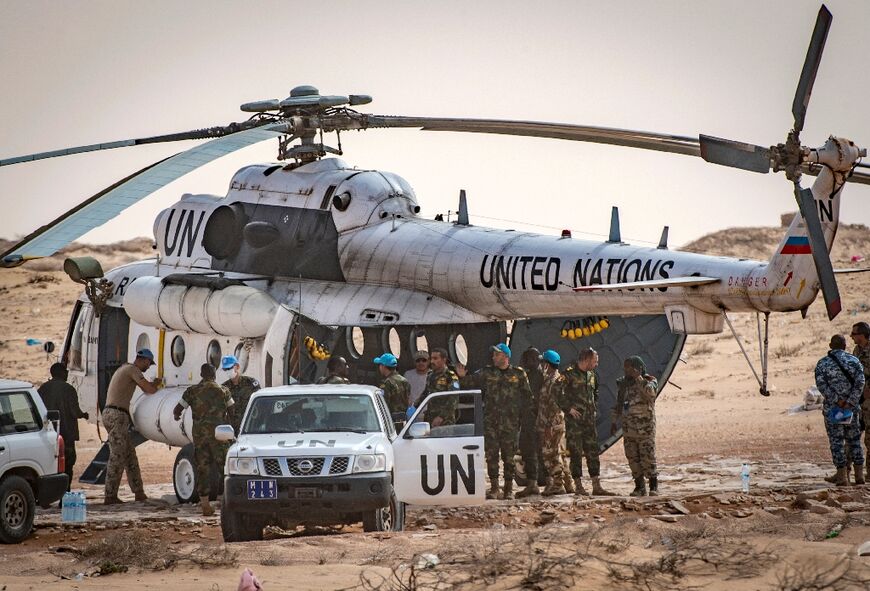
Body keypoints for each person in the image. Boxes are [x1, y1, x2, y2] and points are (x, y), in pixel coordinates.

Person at [456, 343, 530, 500]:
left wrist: (523, 416)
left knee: (509, 456)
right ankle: (495, 488)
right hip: (491, 421)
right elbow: (468, 383)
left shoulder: (518, 374)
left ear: (505, 356)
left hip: (510, 422)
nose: (494, 357)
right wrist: (462, 376)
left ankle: (509, 489)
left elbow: (527, 396)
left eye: (497, 354)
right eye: (494, 354)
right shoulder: (487, 373)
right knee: (491, 455)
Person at [174, 363, 235, 516]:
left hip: (200, 436)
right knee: (224, 466)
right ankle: (226, 500)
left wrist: (177, 416)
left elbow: (178, 409)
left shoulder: (192, 391)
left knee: (203, 467)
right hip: (219, 435)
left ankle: (205, 505)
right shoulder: (223, 391)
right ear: (214, 375)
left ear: (201, 375)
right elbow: (233, 411)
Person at [103, 349, 161, 504]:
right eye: (149, 363)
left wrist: (152, 384)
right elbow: (148, 389)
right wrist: (156, 385)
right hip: (117, 415)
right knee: (118, 456)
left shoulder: (124, 368)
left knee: (129, 455)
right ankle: (110, 495)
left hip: (113, 414)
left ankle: (139, 492)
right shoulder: (132, 370)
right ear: (143, 360)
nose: (148, 367)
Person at [561, 348, 614, 496]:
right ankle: (578, 486)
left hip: (589, 422)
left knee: (592, 452)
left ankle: (596, 486)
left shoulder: (592, 375)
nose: (596, 364)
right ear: (586, 359)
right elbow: (556, 391)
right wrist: (568, 408)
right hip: (575, 423)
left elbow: (595, 392)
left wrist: (594, 407)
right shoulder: (569, 374)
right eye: (595, 361)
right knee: (576, 453)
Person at [815, 334, 865, 486]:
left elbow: (821, 385)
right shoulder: (854, 361)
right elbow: (860, 382)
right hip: (852, 409)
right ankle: (859, 476)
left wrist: (838, 400)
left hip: (834, 410)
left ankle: (842, 477)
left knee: (837, 442)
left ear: (831, 346)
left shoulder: (823, 363)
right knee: (854, 441)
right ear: (844, 346)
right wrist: (850, 401)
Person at [611, 356, 658, 497]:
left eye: (630, 368)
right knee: (632, 458)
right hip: (629, 429)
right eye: (625, 368)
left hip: (645, 429)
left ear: (638, 368)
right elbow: (618, 404)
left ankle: (654, 486)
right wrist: (614, 421)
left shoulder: (649, 381)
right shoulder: (623, 384)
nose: (627, 371)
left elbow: (650, 395)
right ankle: (639, 487)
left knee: (648, 457)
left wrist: (639, 378)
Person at [38, 363, 89, 492]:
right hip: (66, 435)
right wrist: (84, 415)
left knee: (48, 467)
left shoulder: (42, 389)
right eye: (65, 371)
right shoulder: (69, 389)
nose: (67, 373)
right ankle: (64, 495)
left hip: (46, 436)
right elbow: (74, 412)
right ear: (60, 373)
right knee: (67, 467)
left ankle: (46, 495)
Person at [536, 350, 568, 496]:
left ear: (547, 365)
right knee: (558, 453)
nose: (541, 365)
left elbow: (554, 406)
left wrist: (548, 426)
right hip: (554, 423)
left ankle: (558, 485)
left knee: (550, 455)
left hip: (552, 424)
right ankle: (567, 484)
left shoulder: (554, 382)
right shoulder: (551, 379)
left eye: (543, 363)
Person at [516, 347, 546, 497]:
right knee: (527, 450)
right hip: (528, 419)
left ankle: (536, 482)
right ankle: (534, 482)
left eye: (528, 359)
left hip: (534, 420)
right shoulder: (530, 375)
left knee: (534, 450)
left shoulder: (537, 376)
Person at [850, 322, 870, 482]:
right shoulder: (857, 350)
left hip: (868, 402)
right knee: (852, 436)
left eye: (854, 334)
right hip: (858, 400)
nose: (852, 336)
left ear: (862, 335)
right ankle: (845, 473)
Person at [221, 355, 260, 435]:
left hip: (250, 428)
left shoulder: (251, 383)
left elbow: (260, 404)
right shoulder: (224, 387)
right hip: (232, 430)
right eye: (225, 369)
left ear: (237, 366)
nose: (228, 371)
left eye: (230, 368)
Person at [421, 348, 459, 426]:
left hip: (445, 421)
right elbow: (426, 393)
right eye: (431, 359)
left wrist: (441, 417)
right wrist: (414, 407)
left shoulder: (450, 376)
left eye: (435, 358)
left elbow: (454, 399)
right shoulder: (430, 375)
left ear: (444, 360)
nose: (432, 361)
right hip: (430, 417)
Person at [374, 353, 411, 418]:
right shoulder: (405, 381)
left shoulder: (386, 383)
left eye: (380, 365)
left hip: (390, 419)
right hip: (404, 418)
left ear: (383, 366)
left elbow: (383, 403)